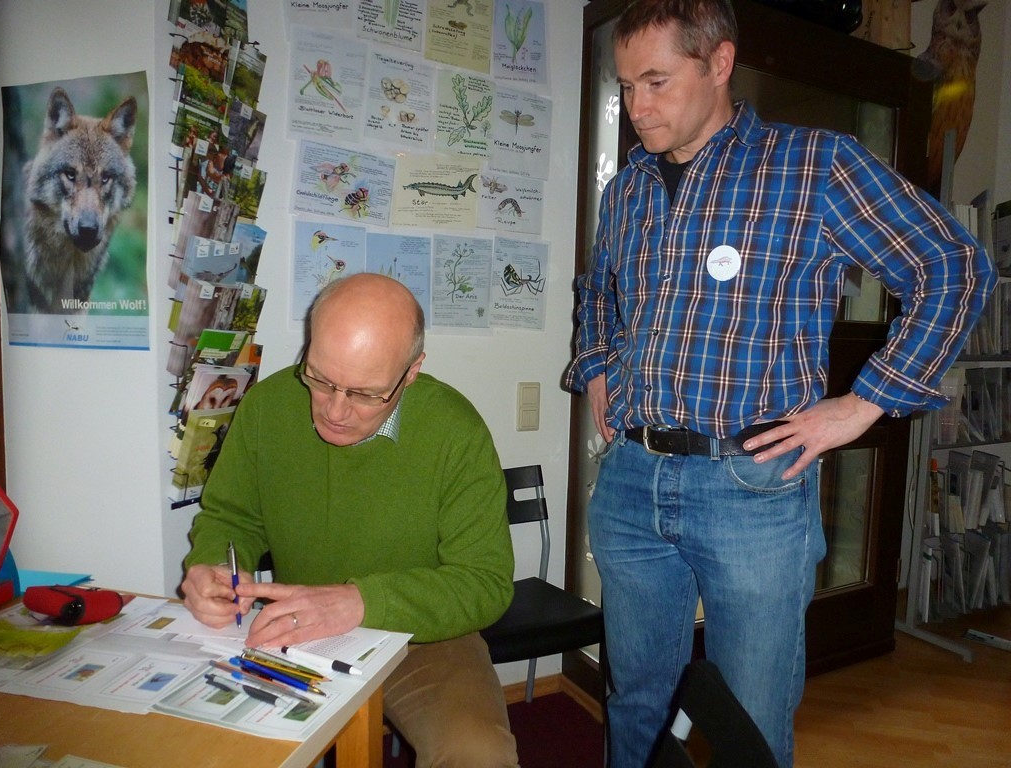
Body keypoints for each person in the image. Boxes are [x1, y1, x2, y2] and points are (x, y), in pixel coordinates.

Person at [563, 1, 996, 766]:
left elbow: (954, 267)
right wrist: (598, 362)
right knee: (635, 702)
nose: (638, 107)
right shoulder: (626, 190)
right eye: (627, 86)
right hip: (631, 482)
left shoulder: (815, 166)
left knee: (749, 724)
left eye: (657, 81)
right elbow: (597, 290)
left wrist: (866, 402)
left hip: (753, 489)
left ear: (719, 63)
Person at [182, 273, 519, 767]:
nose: (335, 410)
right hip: (292, 629)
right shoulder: (268, 406)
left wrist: (360, 601)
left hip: (421, 638)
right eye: (319, 378)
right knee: (208, 746)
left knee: (477, 755)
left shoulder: (455, 430)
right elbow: (232, 515)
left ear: (411, 372)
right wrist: (213, 565)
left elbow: (485, 583)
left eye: (365, 394)